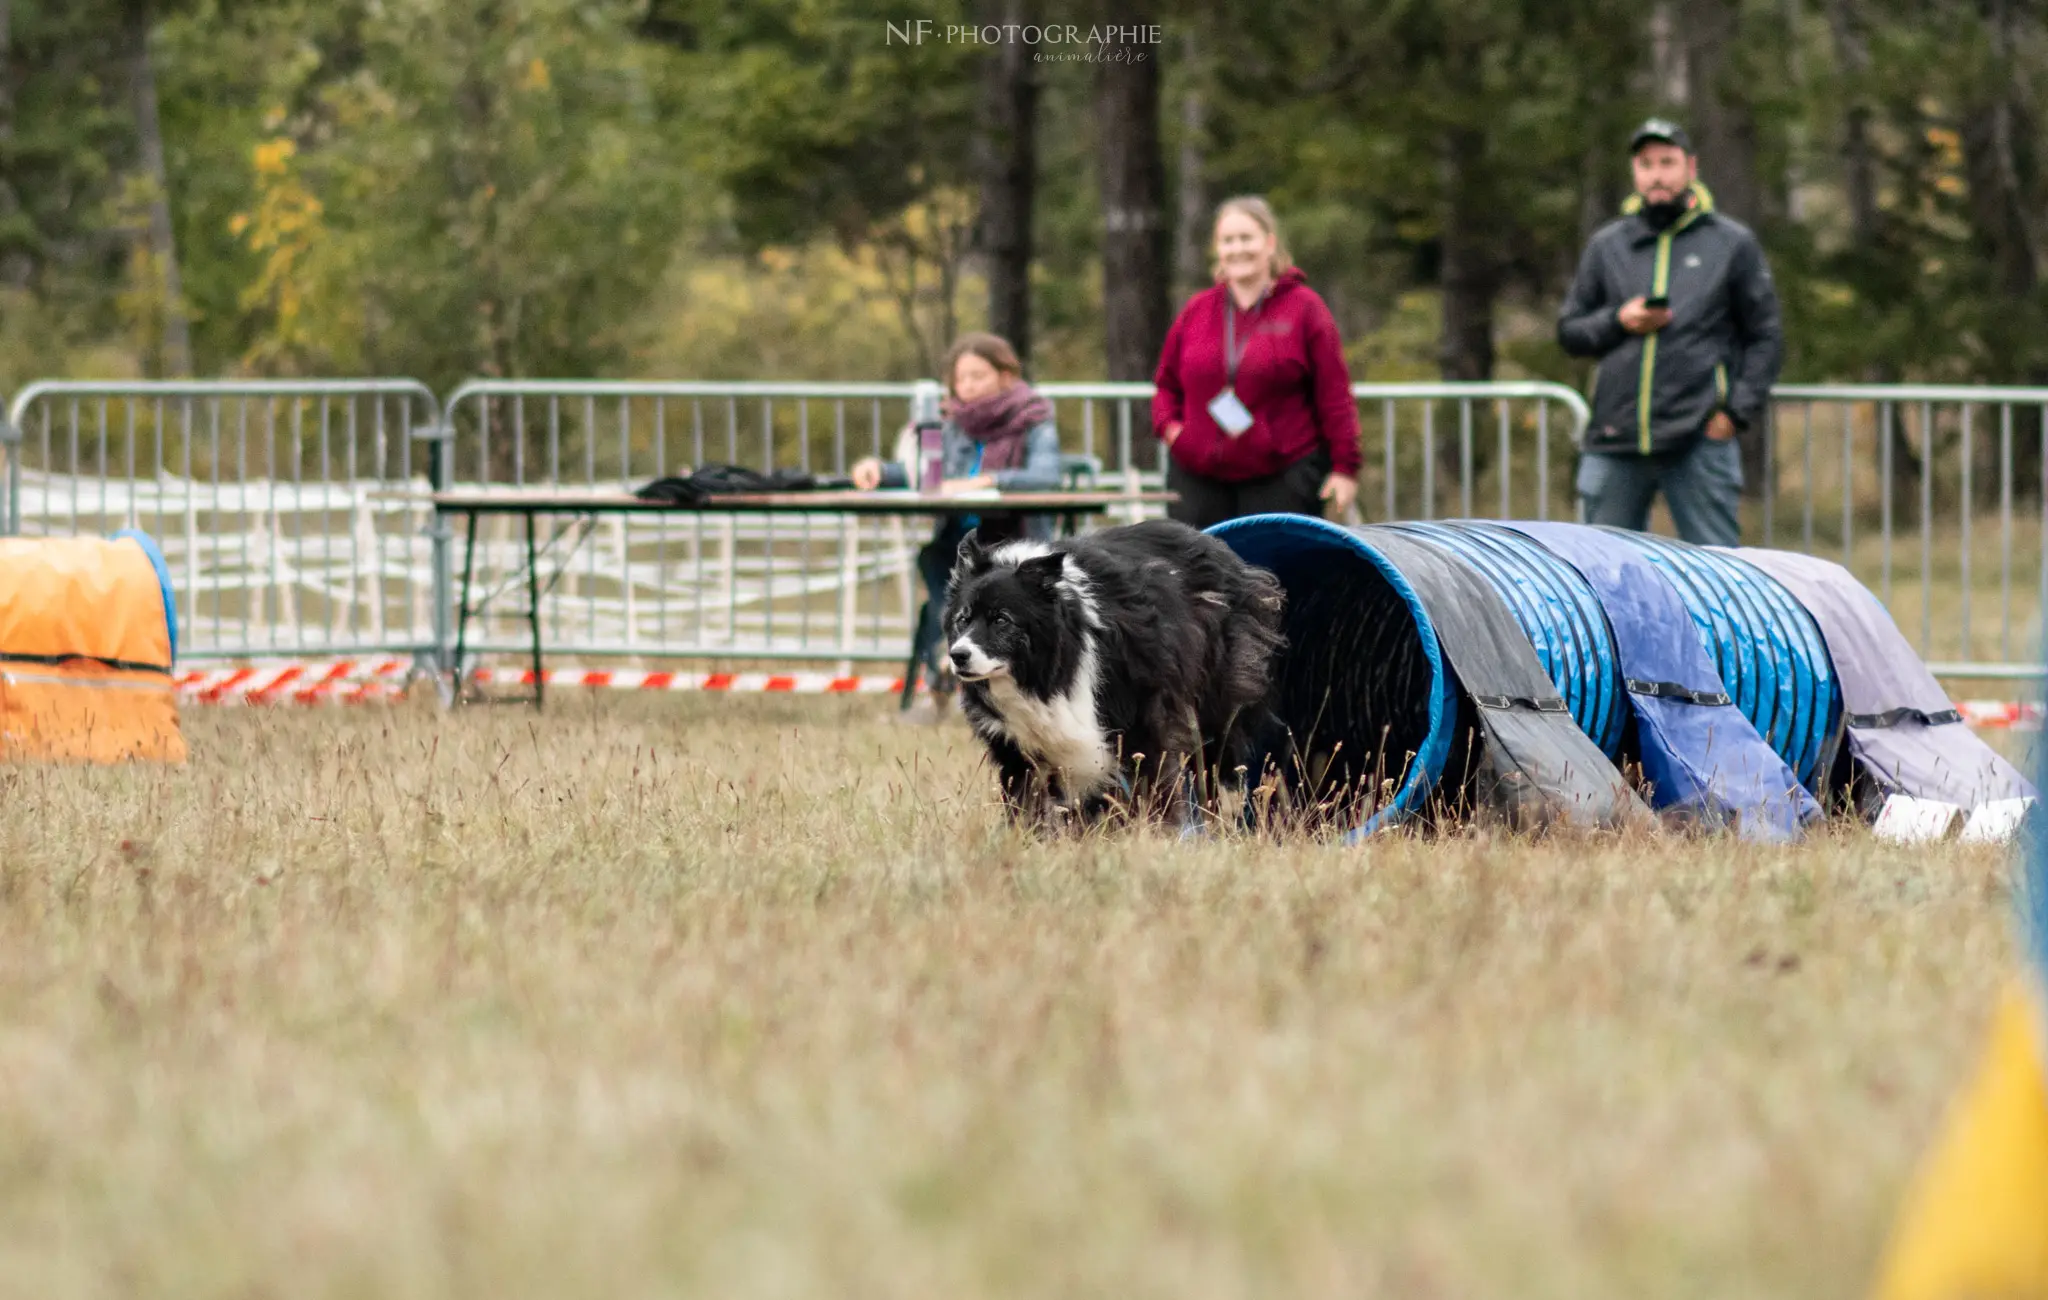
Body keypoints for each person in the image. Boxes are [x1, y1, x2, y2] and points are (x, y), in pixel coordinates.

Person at [1558, 118, 1784, 547]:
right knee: (1600, 570)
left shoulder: (1731, 243)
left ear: (1691, 168)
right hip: (1615, 437)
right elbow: (1570, 330)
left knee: (1717, 576)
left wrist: (1733, 413)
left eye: (1667, 162)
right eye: (1646, 164)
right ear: (1634, 173)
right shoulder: (1607, 245)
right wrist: (1618, 320)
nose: (1657, 174)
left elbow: (1766, 336)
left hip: (1698, 439)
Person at [851, 332, 1061, 710]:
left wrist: (990, 479)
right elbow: (925, 474)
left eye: (978, 375)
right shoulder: (949, 422)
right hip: (959, 541)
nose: (967, 386)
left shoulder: (1034, 417)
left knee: (967, 586)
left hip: (1015, 542)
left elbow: (1047, 474)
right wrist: (880, 471)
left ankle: (965, 674)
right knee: (938, 566)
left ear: (1006, 374)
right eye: (961, 379)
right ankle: (941, 672)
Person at [1152, 196, 1361, 531]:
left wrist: (1345, 468)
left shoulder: (1305, 309)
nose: (1238, 249)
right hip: (1197, 479)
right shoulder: (1197, 310)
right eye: (1228, 240)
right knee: (1198, 580)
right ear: (1217, 249)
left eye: (1246, 238)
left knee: (1277, 578)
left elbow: (1334, 395)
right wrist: (1175, 433)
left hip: (1282, 477)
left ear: (1269, 243)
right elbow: (1166, 385)